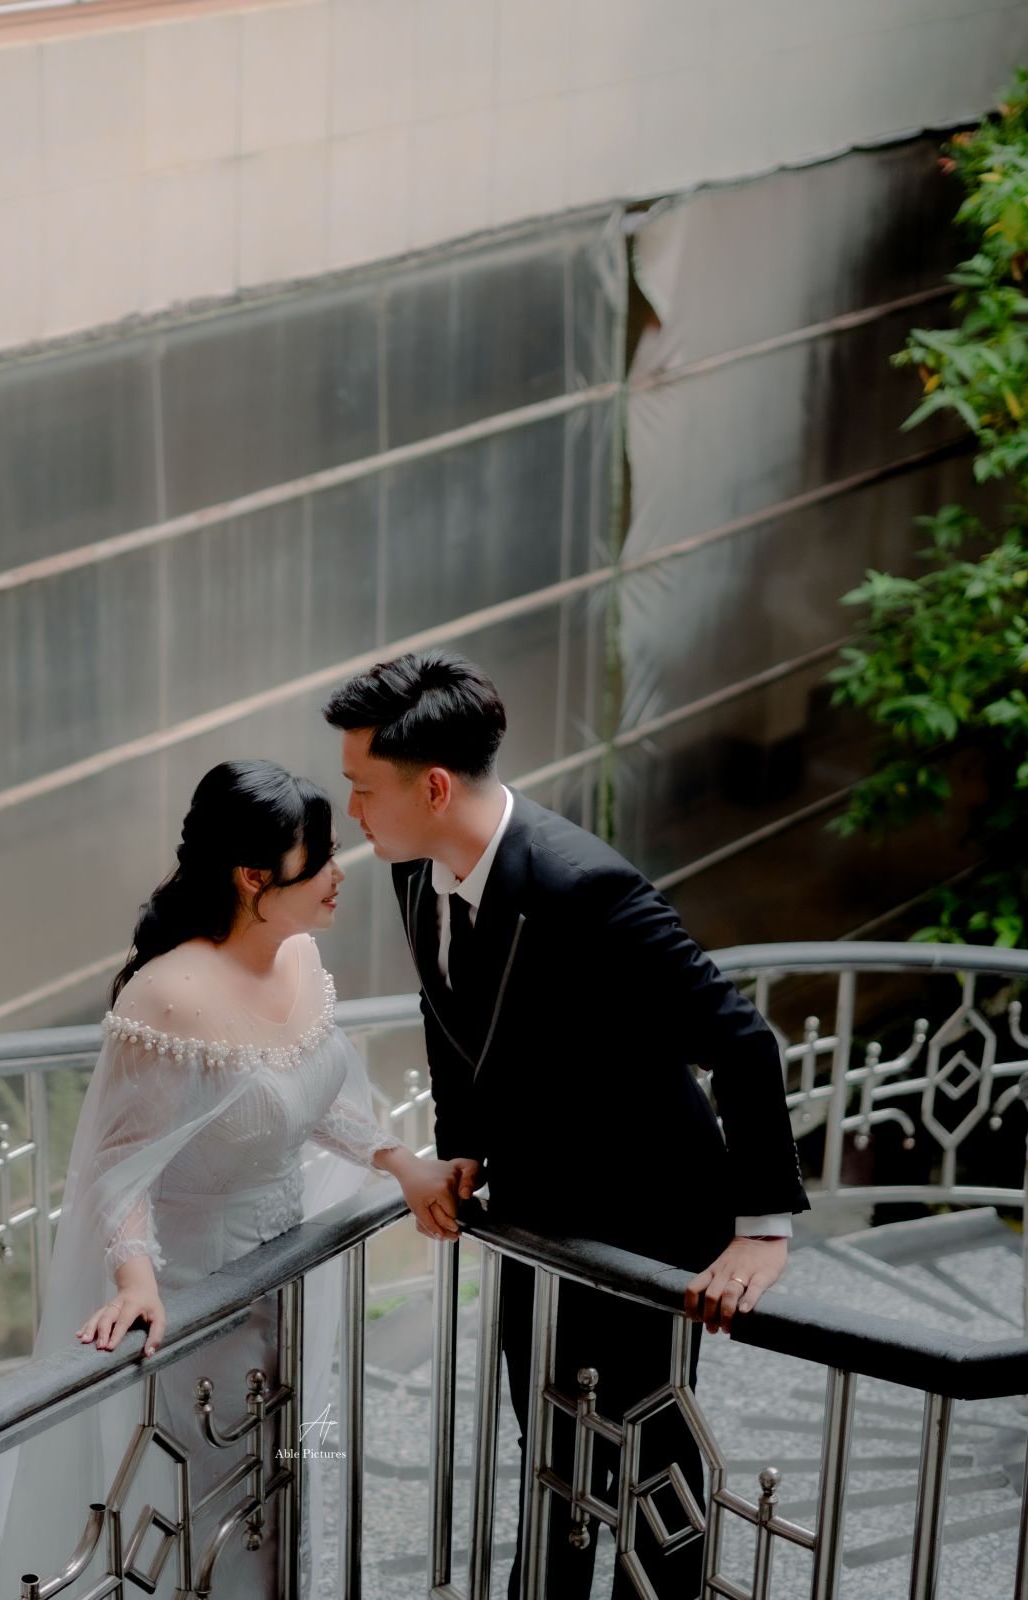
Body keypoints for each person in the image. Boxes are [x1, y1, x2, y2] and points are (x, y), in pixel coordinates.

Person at [323, 648, 809, 1600]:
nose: (352, 811)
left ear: (432, 786)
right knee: (549, 1435)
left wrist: (761, 1228)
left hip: (649, 1210)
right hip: (536, 1205)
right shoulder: (416, 870)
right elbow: (445, 1009)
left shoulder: (585, 886)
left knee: (649, 1454)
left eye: (362, 789)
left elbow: (743, 1041)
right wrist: (465, 1143)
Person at [0, 759, 468, 1598]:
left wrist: (400, 1163)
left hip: (287, 1278)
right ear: (254, 876)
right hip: (199, 1296)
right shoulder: (168, 999)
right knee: (211, 1498)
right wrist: (136, 1279)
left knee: (280, 1481)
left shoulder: (299, 957)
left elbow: (310, 1097)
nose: (339, 873)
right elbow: (118, 1168)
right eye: (320, 858)